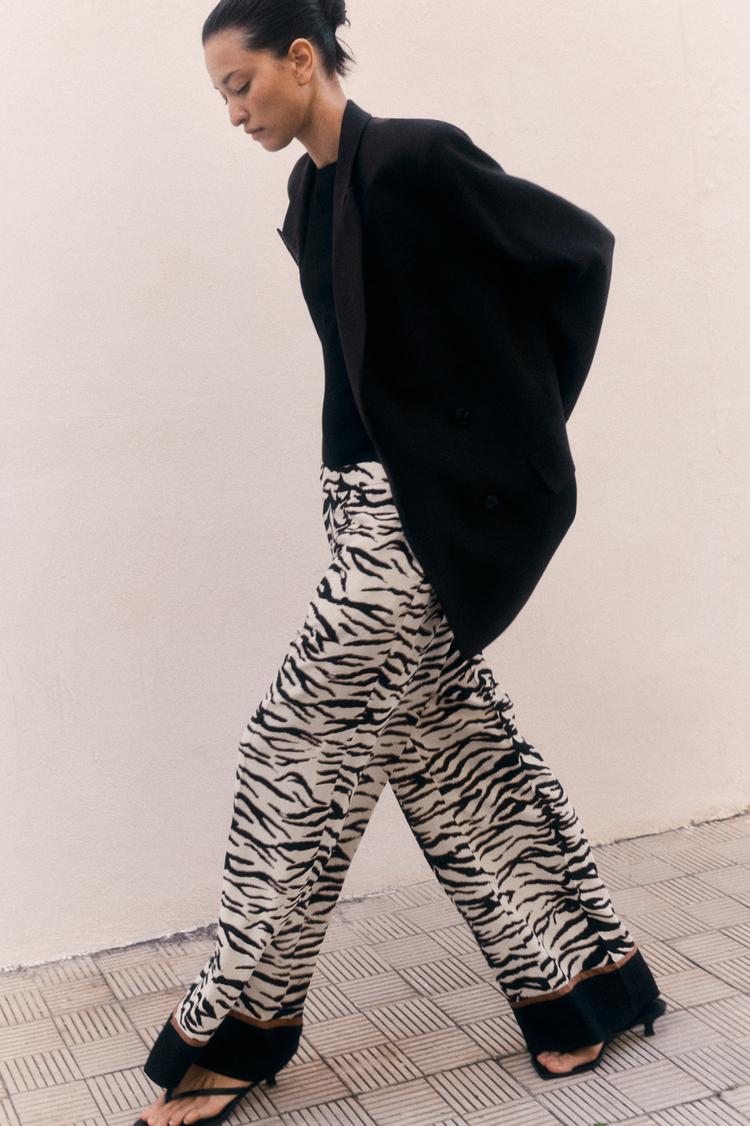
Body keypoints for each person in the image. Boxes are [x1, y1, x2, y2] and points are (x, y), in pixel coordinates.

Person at [135, 2, 666, 1123]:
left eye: (240, 85)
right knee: (452, 760)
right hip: (360, 511)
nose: (232, 113)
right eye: (219, 95)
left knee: (293, 744)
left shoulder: (416, 158)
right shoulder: (308, 193)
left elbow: (579, 253)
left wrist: (513, 441)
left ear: (301, 59)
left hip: (424, 519)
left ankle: (235, 1034)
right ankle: (584, 988)